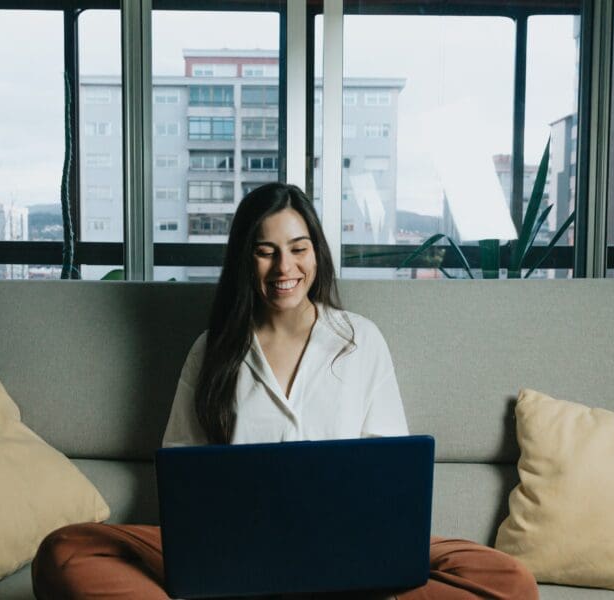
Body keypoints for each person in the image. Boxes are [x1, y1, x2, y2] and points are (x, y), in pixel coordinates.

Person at [32, 183, 538, 600]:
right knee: (67, 550)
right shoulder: (212, 350)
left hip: (347, 552)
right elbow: (183, 474)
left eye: (298, 249)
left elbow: (389, 474)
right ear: (244, 259)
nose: (284, 268)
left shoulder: (360, 339)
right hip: (238, 554)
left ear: (316, 252)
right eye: (265, 251)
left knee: (507, 578)